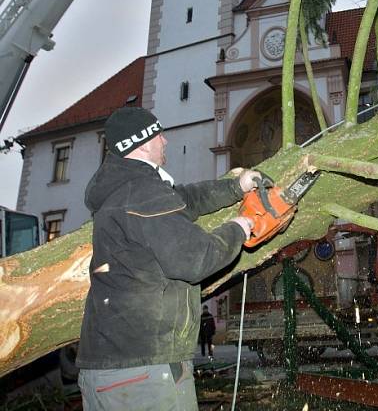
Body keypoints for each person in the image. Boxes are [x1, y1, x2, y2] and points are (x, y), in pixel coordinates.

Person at [76, 107, 260, 410]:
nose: (165, 140)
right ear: (144, 143)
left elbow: (186, 200)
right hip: (143, 372)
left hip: (112, 366)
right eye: (159, 134)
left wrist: (235, 187)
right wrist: (239, 228)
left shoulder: (125, 188)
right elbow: (195, 259)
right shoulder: (141, 192)